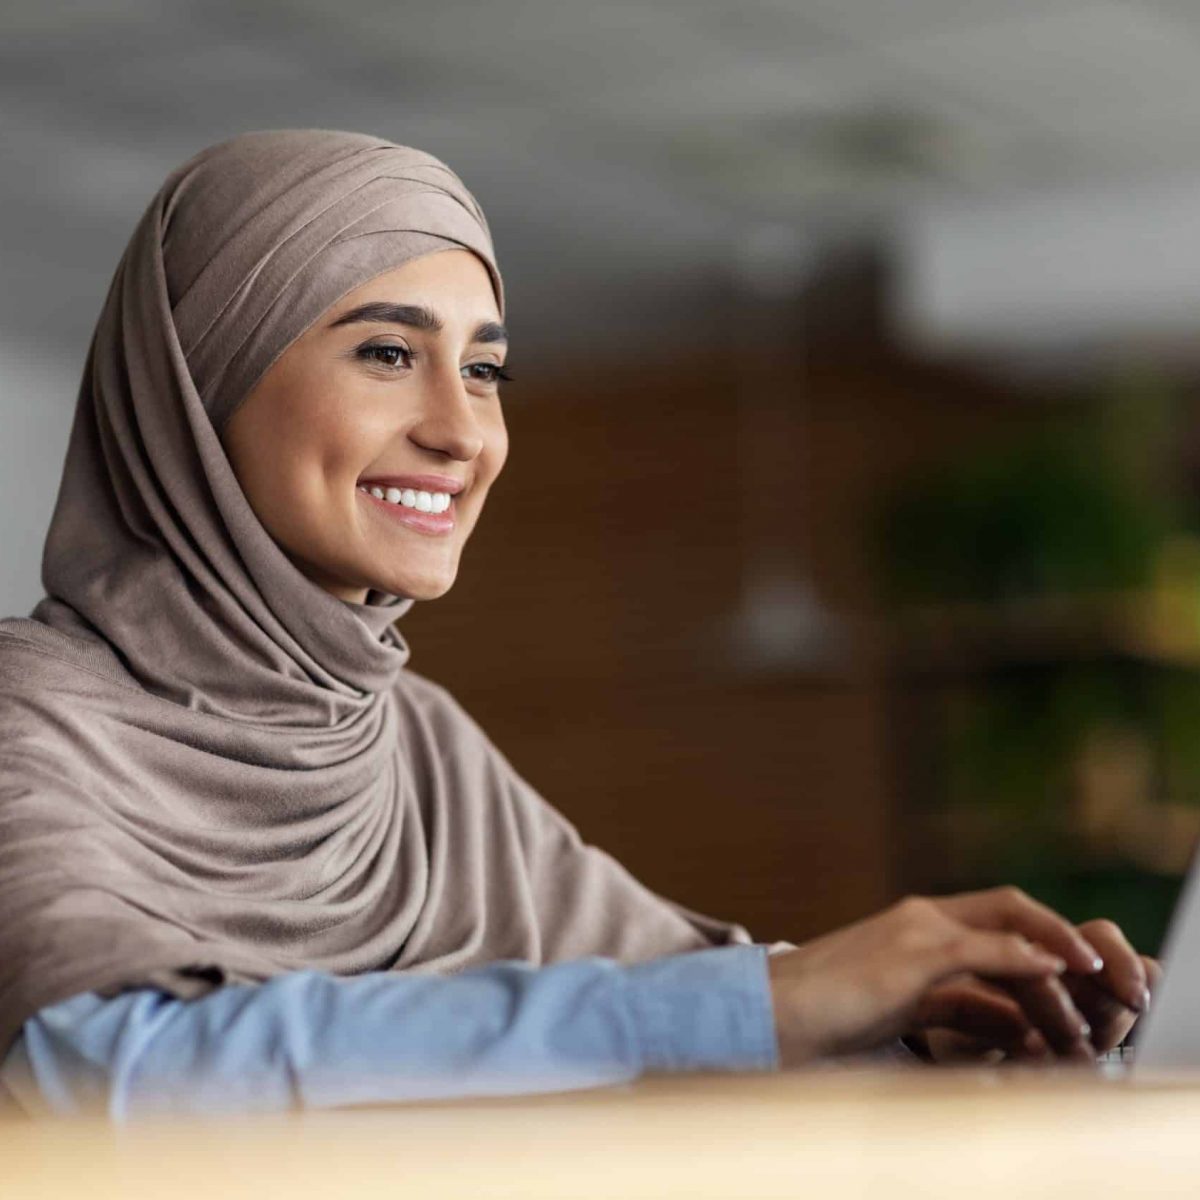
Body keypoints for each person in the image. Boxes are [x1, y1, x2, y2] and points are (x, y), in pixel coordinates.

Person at [0, 130, 1157, 1121]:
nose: (464, 431)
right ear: (200, 386)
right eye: (389, 353)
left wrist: (944, 1027)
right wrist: (780, 1005)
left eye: (487, 369)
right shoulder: (29, 714)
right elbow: (105, 1072)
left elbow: (656, 990)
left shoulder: (414, 746)